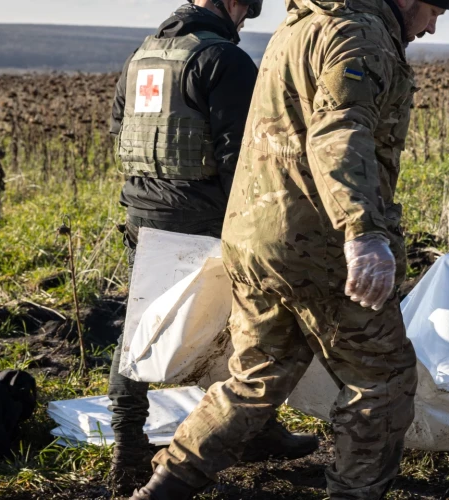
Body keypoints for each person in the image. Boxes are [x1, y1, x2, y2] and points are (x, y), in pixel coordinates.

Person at [129, 0, 449, 498]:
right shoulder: (358, 33)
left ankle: (163, 487)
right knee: (381, 380)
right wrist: (363, 231)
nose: (430, 27)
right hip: (318, 244)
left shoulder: (299, 25)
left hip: (256, 237)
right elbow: (340, 133)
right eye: (434, 10)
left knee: (255, 378)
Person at [106, 0, 319, 496]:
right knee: (245, 322)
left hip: (143, 210)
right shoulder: (223, 59)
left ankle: (131, 443)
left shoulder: (143, 54)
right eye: (248, 9)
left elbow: (121, 131)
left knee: (142, 325)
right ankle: (246, 430)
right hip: (202, 214)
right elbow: (244, 154)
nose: (246, 18)